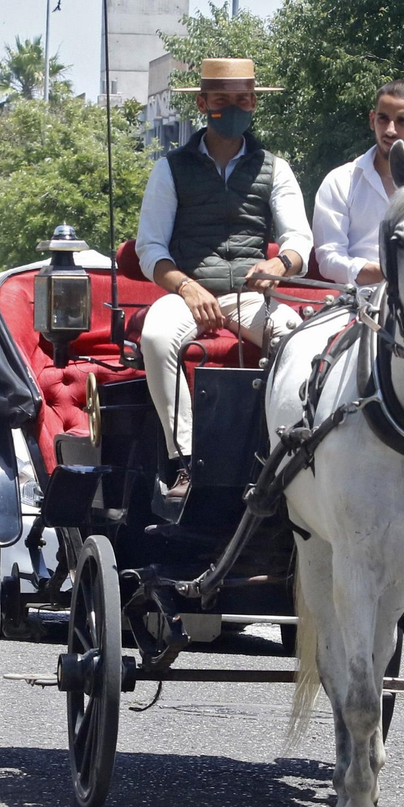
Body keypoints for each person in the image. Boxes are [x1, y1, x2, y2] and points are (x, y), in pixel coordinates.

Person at [135, 58, 311, 499]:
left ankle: (283, 458)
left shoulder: (276, 168)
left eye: (243, 100)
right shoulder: (169, 169)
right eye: (222, 100)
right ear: (203, 103)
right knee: (157, 338)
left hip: (250, 296)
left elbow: (299, 241)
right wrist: (186, 286)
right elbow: (149, 249)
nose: (234, 108)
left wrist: (279, 265)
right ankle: (184, 462)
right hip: (188, 292)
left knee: (295, 337)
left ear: (254, 104)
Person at [311, 81, 404, 285]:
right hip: (354, 305)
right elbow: (329, 259)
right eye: (383, 119)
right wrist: (390, 274)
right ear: (372, 120)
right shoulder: (340, 181)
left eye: (402, 121)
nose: (391, 130)